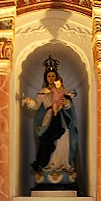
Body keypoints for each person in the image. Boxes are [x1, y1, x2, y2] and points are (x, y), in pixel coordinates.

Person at [21, 57, 79, 185]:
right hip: (48, 119)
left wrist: (66, 102)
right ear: (45, 78)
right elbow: (37, 105)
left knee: (62, 138)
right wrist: (29, 101)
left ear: (56, 77)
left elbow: (69, 105)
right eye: (49, 76)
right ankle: (49, 165)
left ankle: (63, 165)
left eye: (53, 76)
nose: (51, 78)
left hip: (62, 119)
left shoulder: (61, 90)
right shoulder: (42, 92)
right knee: (47, 141)